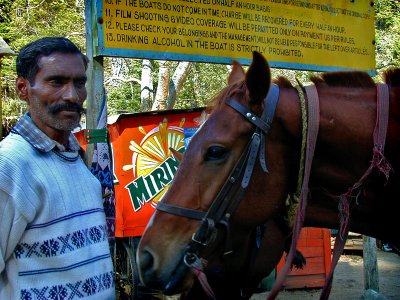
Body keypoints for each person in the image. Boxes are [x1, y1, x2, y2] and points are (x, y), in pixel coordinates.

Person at [0, 37, 115, 299]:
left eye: (79, 82)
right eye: (56, 82)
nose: (73, 95)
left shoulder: (76, 158)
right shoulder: (10, 165)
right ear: (23, 88)